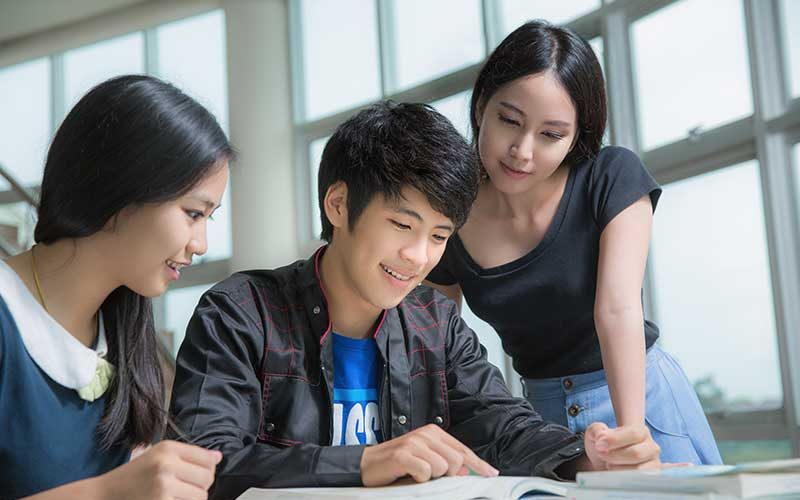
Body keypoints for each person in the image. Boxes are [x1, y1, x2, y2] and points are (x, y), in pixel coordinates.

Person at [168, 101, 661, 500]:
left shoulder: (435, 322)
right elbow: (202, 464)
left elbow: (501, 424)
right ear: (338, 205)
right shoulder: (241, 312)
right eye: (402, 225)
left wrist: (585, 458)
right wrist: (364, 463)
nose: (417, 256)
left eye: (439, 235)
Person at [425, 20, 721, 465]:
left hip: (641, 404)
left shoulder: (609, 177)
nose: (522, 150)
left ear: (576, 136)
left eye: (551, 135)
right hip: (540, 425)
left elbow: (618, 310)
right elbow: (433, 343)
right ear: (481, 104)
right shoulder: (450, 210)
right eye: (509, 120)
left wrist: (631, 435)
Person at [0, 74, 234, 499]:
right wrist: (107, 493)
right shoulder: (7, 316)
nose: (200, 245)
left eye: (207, 218)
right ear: (121, 188)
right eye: (193, 213)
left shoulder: (123, 328)